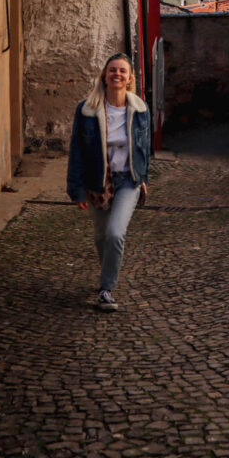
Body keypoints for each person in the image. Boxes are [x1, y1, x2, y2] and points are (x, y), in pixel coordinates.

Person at [66, 52, 151, 311]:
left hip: (128, 181)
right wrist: (77, 190)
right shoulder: (87, 109)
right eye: (112, 70)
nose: (117, 75)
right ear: (105, 75)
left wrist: (142, 177)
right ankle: (107, 272)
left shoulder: (139, 109)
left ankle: (106, 289)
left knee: (115, 233)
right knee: (102, 236)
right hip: (97, 181)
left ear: (129, 78)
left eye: (122, 71)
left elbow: (144, 148)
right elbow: (77, 151)